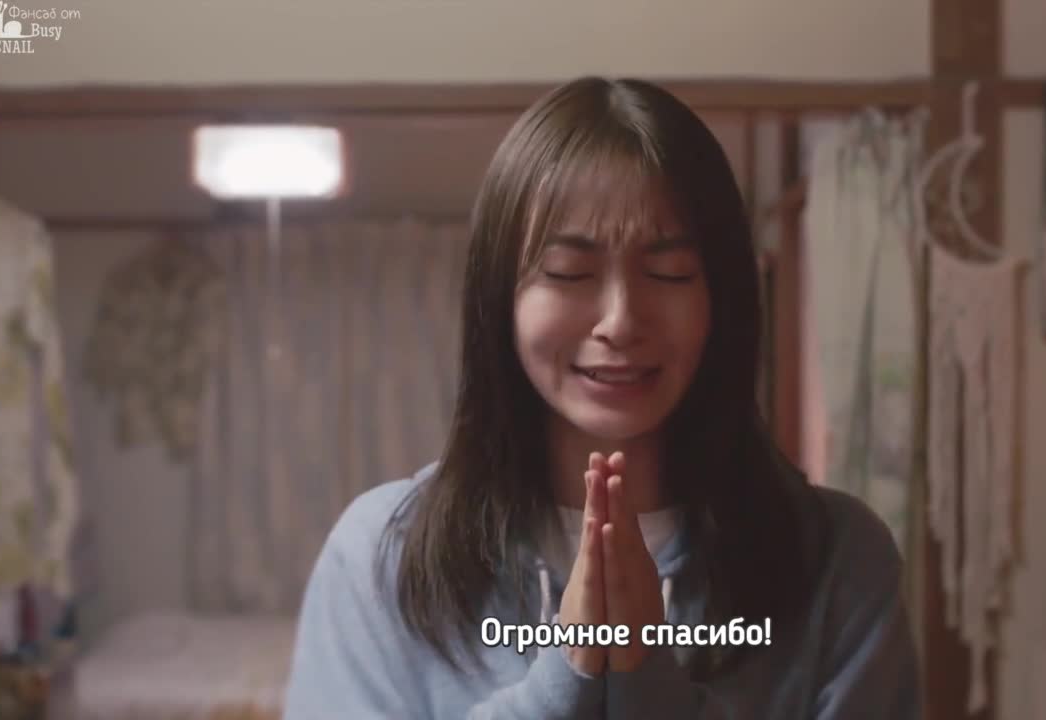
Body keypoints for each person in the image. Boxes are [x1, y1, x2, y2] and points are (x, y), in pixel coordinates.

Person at [282, 75, 922, 719]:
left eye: (668, 272)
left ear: (722, 298)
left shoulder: (839, 560)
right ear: (499, 300)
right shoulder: (382, 557)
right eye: (569, 273)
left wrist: (646, 679)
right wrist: (565, 676)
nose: (620, 320)